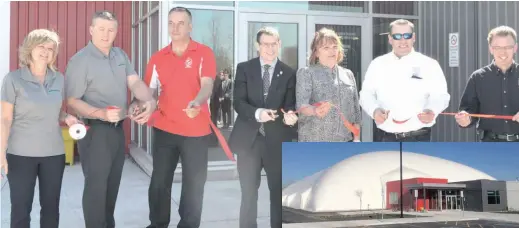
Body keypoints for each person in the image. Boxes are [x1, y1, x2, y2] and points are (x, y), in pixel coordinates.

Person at [65, 11, 156, 228]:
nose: (106, 34)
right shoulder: (80, 61)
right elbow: (72, 101)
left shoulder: (120, 55)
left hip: (117, 131)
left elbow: (134, 83)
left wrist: (150, 101)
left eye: (111, 29)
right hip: (95, 132)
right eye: (101, 29)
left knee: (112, 187)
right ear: (91, 30)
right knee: (96, 188)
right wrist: (101, 113)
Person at [140, 7, 216, 228]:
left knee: (194, 185)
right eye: (171, 23)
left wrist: (198, 102)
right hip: (165, 129)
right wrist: (142, 106)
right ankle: (158, 223)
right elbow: (148, 92)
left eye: (180, 23)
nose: (175, 27)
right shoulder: (157, 58)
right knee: (159, 183)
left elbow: (207, 85)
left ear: (190, 26)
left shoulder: (204, 53)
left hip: (197, 132)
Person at [0, 29, 80, 228]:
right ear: (30, 49)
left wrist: (67, 117)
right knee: (20, 209)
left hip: (53, 154)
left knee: (51, 208)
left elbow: (53, 110)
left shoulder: (59, 79)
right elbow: (5, 118)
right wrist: (1, 152)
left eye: (50, 48)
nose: (46, 51)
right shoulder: (13, 79)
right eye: (41, 46)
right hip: (20, 154)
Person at [229, 26, 296, 228]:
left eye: (273, 43)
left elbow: (290, 106)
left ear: (279, 44)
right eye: (265, 44)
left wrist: (290, 117)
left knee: (277, 193)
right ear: (257, 46)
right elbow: (238, 102)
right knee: (248, 193)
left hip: (276, 142)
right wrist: (258, 113)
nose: (270, 48)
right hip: (249, 141)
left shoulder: (289, 73)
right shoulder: (244, 68)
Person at [359, 19, 450, 142]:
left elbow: (440, 95)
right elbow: (366, 94)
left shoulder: (429, 64)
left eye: (407, 35)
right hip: (387, 138)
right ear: (390, 39)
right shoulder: (378, 64)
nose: (403, 40)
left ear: (414, 37)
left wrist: (431, 110)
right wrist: (374, 111)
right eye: (397, 36)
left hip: (419, 138)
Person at [456, 26, 519, 142]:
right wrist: (465, 119)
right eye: (497, 47)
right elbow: (468, 110)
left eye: (508, 47)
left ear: (515, 48)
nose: (502, 52)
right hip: (490, 145)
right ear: (490, 49)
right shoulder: (478, 77)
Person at [292, 28, 361, 142]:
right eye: (326, 48)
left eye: (335, 47)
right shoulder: (307, 73)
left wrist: (357, 138)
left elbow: (356, 112)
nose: (332, 51)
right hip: (314, 142)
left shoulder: (348, 74)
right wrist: (315, 110)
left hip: (344, 141)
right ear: (316, 52)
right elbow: (301, 106)